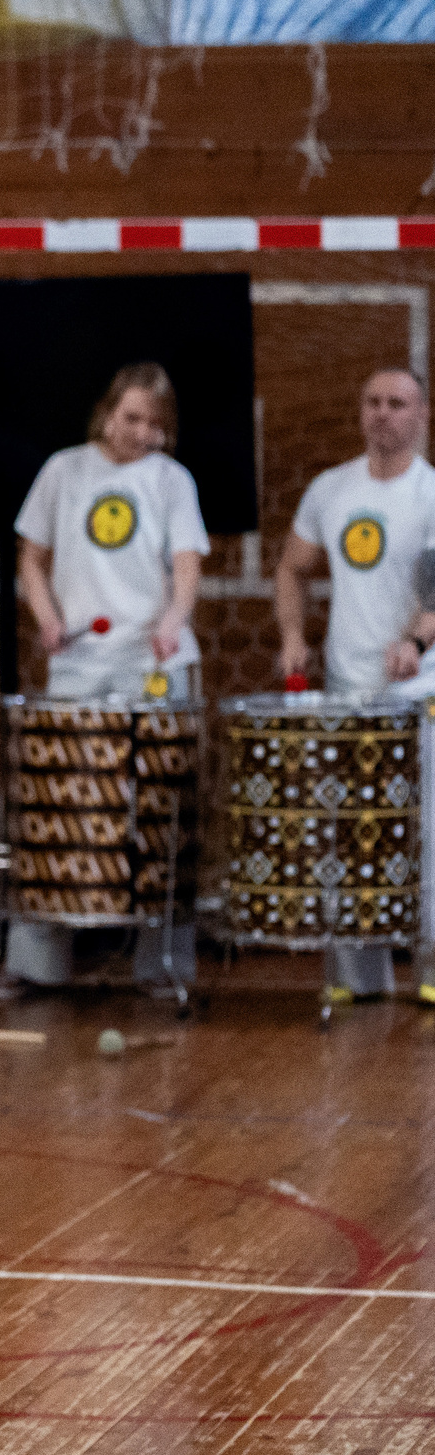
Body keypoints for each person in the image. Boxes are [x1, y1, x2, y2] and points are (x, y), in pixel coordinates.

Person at [8, 362, 209, 990]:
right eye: (131, 418)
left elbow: (186, 563)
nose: (141, 432)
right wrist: (46, 618)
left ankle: (161, 963)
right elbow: (32, 559)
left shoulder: (171, 480)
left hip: (153, 662)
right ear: (107, 412)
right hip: (77, 662)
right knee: (54, 800)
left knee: (160, 810)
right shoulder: (64, 470)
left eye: (155, 423)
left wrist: (175, 618)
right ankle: (38, 963)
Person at [274, 367, 435, 1000]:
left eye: (398, 403)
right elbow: (292, 567)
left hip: (416, 690)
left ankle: (430, 965)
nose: (384, 413)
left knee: (421, 830)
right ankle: (354, 975)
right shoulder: (330, 489)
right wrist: (293, 636)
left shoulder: (429, 493)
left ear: (421, 414)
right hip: (346, 686)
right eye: (373, 402)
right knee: (346, 827)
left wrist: (417, 642)